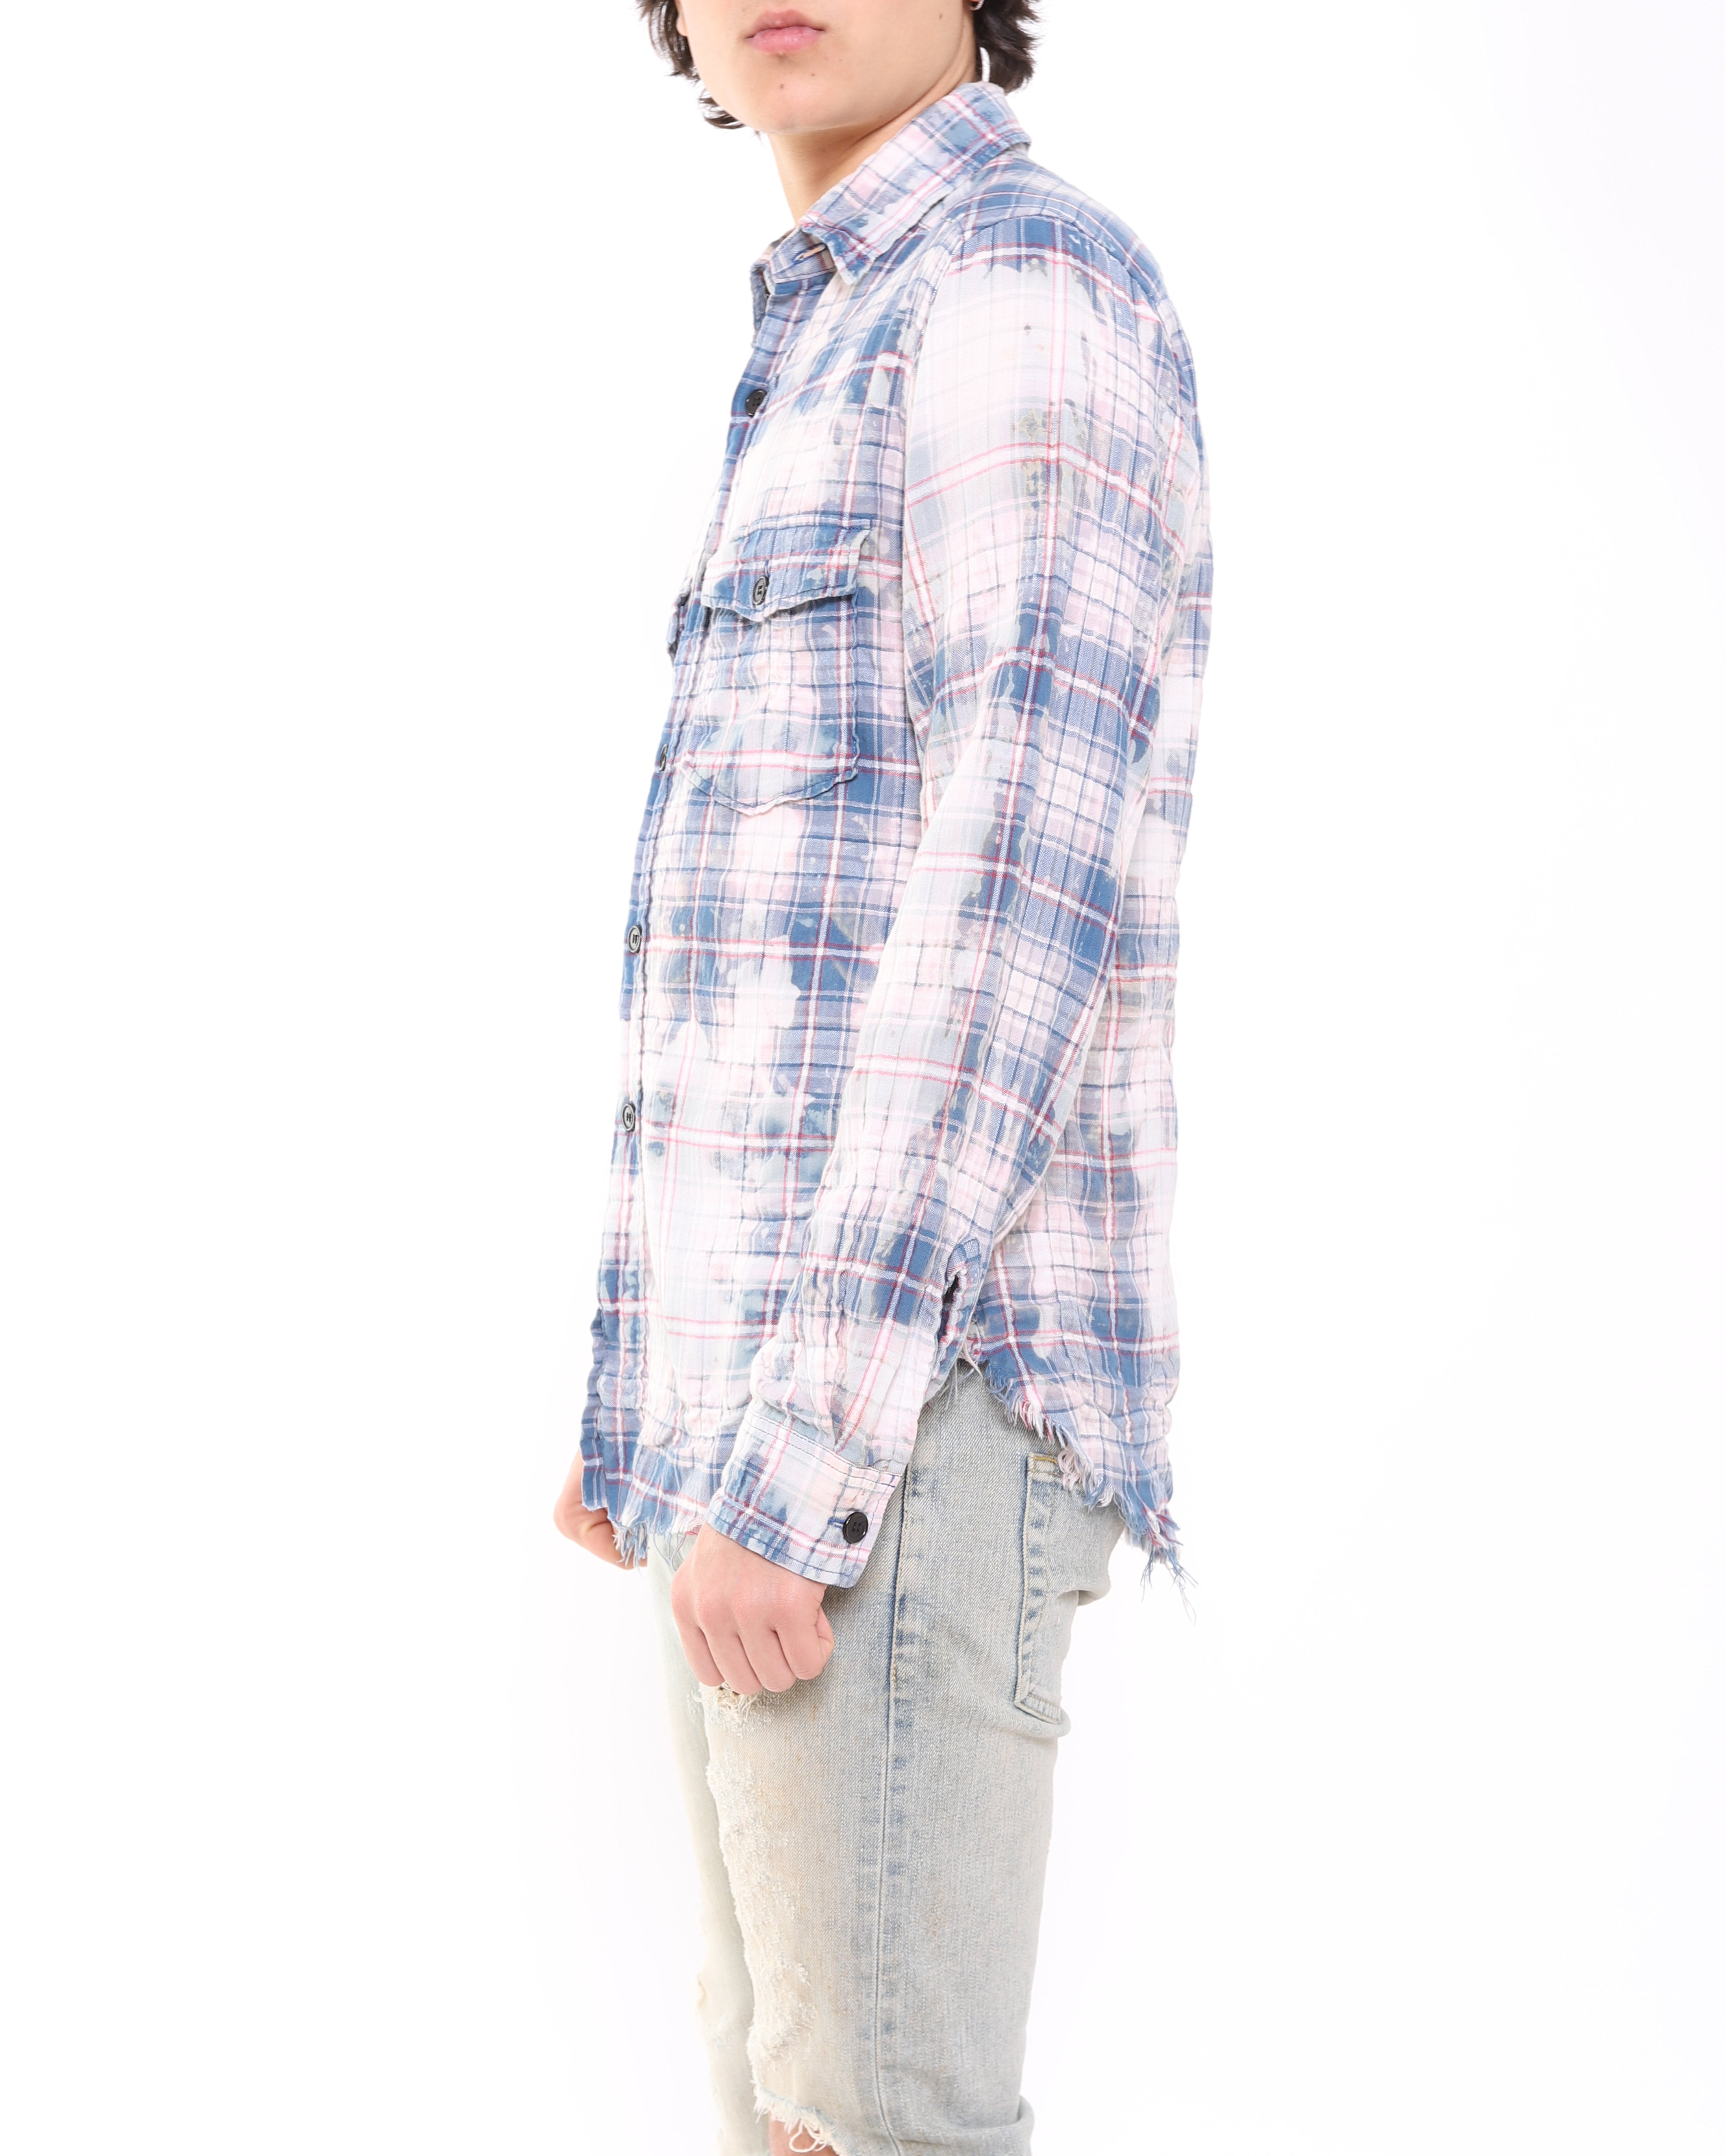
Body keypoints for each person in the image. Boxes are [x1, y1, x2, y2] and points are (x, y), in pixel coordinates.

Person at [554, 4, 1210, 2149]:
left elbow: (1013, 893)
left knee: (881, 2125)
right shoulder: (831, 324)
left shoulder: (1015, 287)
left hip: (888, 1416)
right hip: (762, 1415)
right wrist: (647, 1398)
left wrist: (804, 1445)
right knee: (794, 2118)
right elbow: (763, 932)